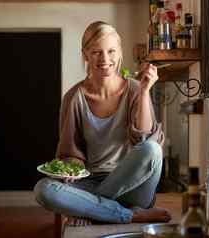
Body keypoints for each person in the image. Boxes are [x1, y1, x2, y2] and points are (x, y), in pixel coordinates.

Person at [34, 21, 171, 226]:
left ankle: (91, 209)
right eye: (97, 52)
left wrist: (144, 92)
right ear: (85, 55)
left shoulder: (135, 89)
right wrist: (71, 169)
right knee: (43, 190)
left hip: (134, 188)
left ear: (119, 52)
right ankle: (128, 215)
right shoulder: (73, 98)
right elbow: (70, 153)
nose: (105, 59)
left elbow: (143, 138)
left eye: (111, 51)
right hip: (90, 181)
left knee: (152, 149)